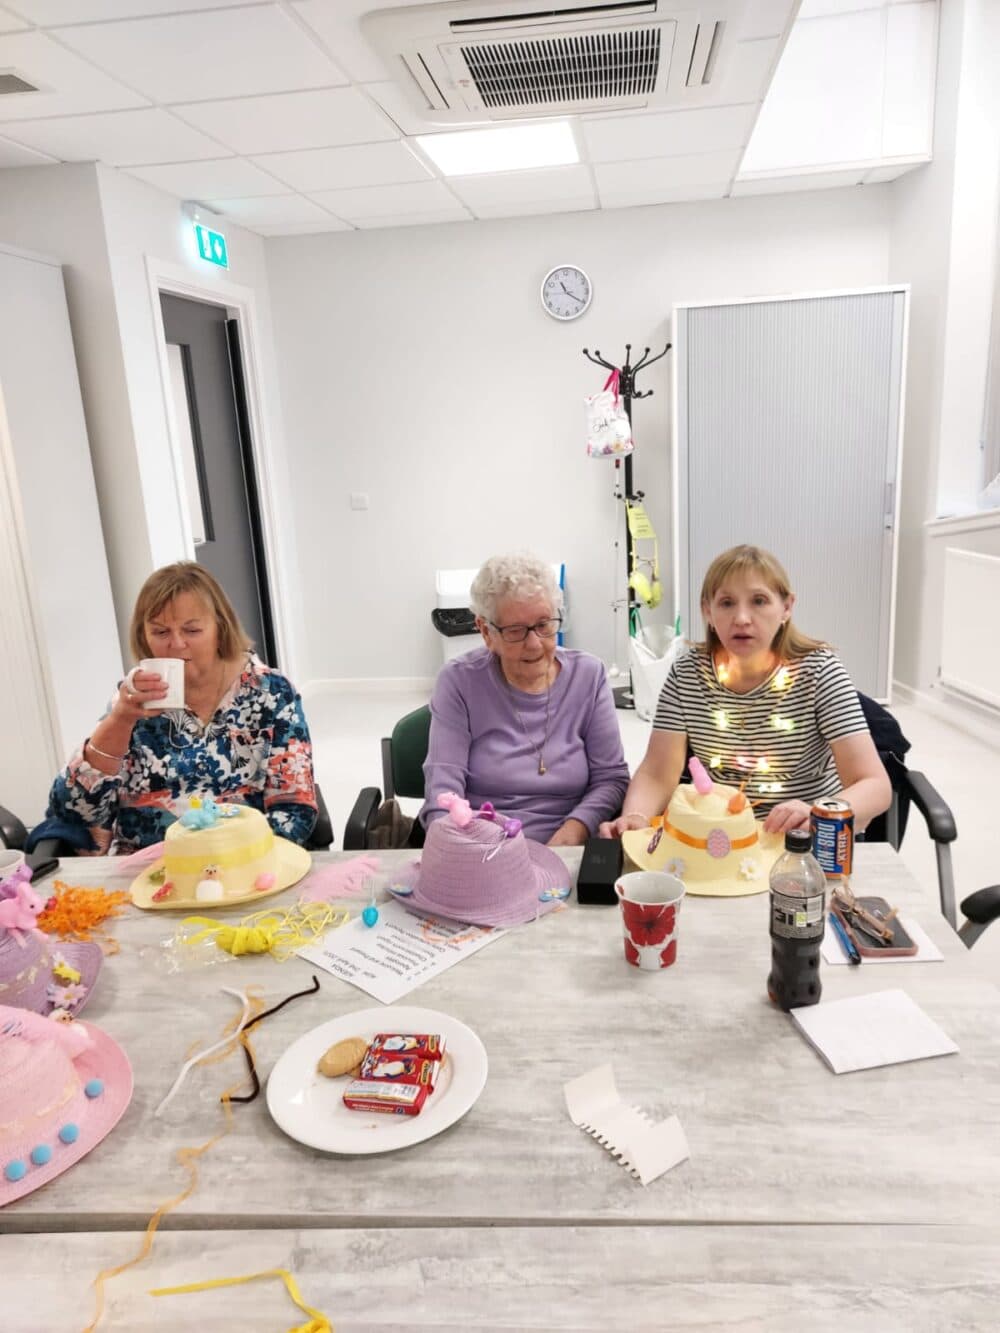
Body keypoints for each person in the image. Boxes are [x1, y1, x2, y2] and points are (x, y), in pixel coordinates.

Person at [600, 545, 891, 839]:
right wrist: (635, 817)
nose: (741, 618)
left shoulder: (820, 671)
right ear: (707, 610)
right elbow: (657, 773)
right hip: (720, 839)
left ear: (786, 607)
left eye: (759, 601)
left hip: (804, 840)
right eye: (726, 602)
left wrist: (819, 813)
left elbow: (874, 784)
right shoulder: (687, 673)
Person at [39, 562, 317, 854]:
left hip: (245, 865)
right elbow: (71, 811)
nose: (176, 644)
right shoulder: (132, 699)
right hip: (147, 871)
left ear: (220, 629)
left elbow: (294, 810)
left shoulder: (271, 692)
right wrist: (120, 719)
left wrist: (227, 864)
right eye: (160, 632)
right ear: (143, 635)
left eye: (192, 630)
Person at [419, 554, 629, 846]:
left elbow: (611, 779)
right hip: (483, 847)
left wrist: (577, 827)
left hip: (569, 845)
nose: (534, 644)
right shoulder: (459, 682)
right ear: (485, 631)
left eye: (544, 625)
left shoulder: (589, 676)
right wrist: (468, 847)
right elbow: (443, 793)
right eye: (515, 631)